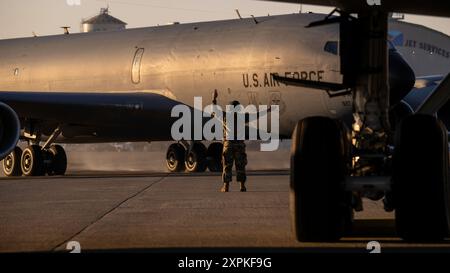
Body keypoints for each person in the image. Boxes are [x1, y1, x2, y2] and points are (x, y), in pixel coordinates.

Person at [220, 100, 248, 192]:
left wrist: (214, 99)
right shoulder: (243, 117)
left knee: (227, 166)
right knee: (240, 166)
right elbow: (257, 115)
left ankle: (226, 186)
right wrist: (268, 110)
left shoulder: (225, 116)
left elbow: (214, 110)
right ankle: (242, 186)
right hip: (239, 144)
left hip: (228, 144)